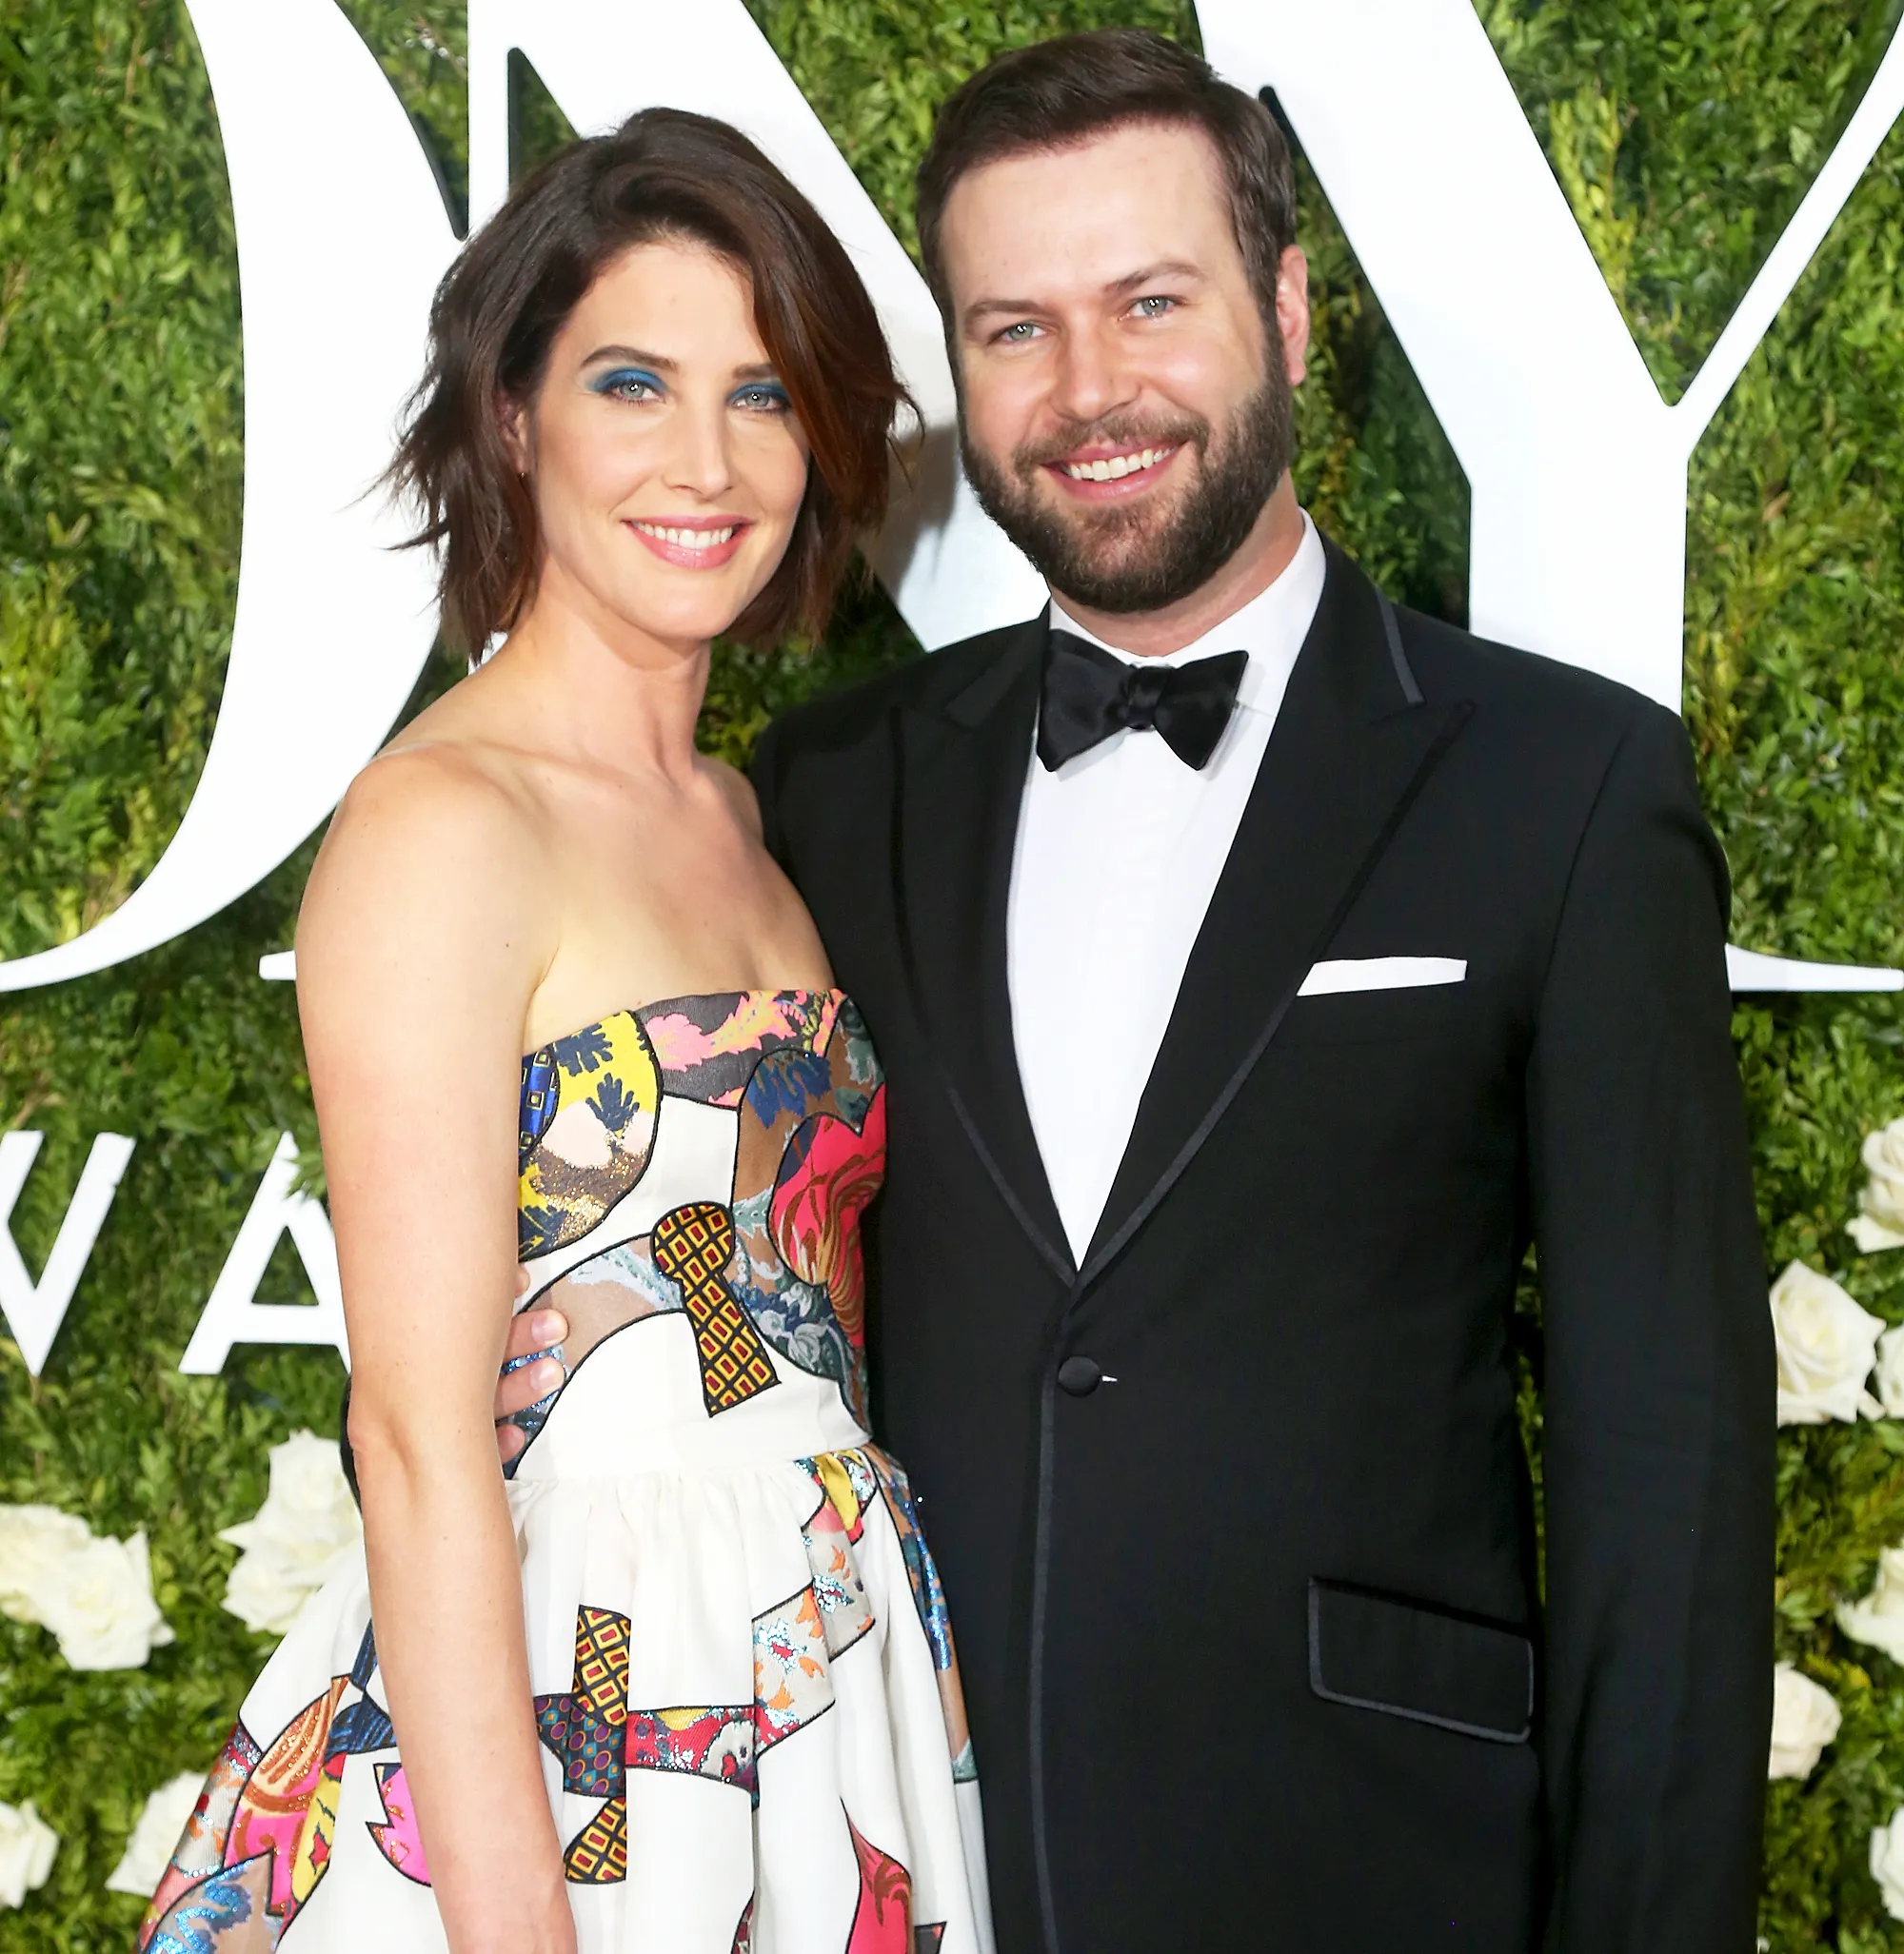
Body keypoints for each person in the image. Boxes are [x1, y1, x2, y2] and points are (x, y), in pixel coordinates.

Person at [498, 30, 1775, 1954]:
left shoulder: (1565, 789)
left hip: (1368, 1870)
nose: (1090, 393)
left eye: (1150, 304)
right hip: (894, 1845)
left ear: (1282, 308)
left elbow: (1660, 1466)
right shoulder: (833, 791)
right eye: (1014, 329)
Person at [140, 109, 992, 1954]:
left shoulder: (745, 825)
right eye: (635, 382)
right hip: (571, 1739)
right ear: (513, 418)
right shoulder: (445, 828)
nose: (707, 460)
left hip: (809, 1694)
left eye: (761, 396)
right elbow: (421, 1438)